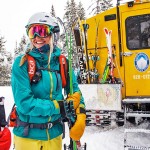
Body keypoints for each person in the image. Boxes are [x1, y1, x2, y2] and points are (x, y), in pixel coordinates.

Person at [11, 12, 86, 150]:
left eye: (42, 31)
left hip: (54, 137)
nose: (37, 37)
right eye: (32, 32)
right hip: (27, 138)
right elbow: (24, 104)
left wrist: (81, 113)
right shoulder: (22, 63)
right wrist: (59, 107)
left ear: (53, 35)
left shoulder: (62, 62)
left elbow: (75, 91)